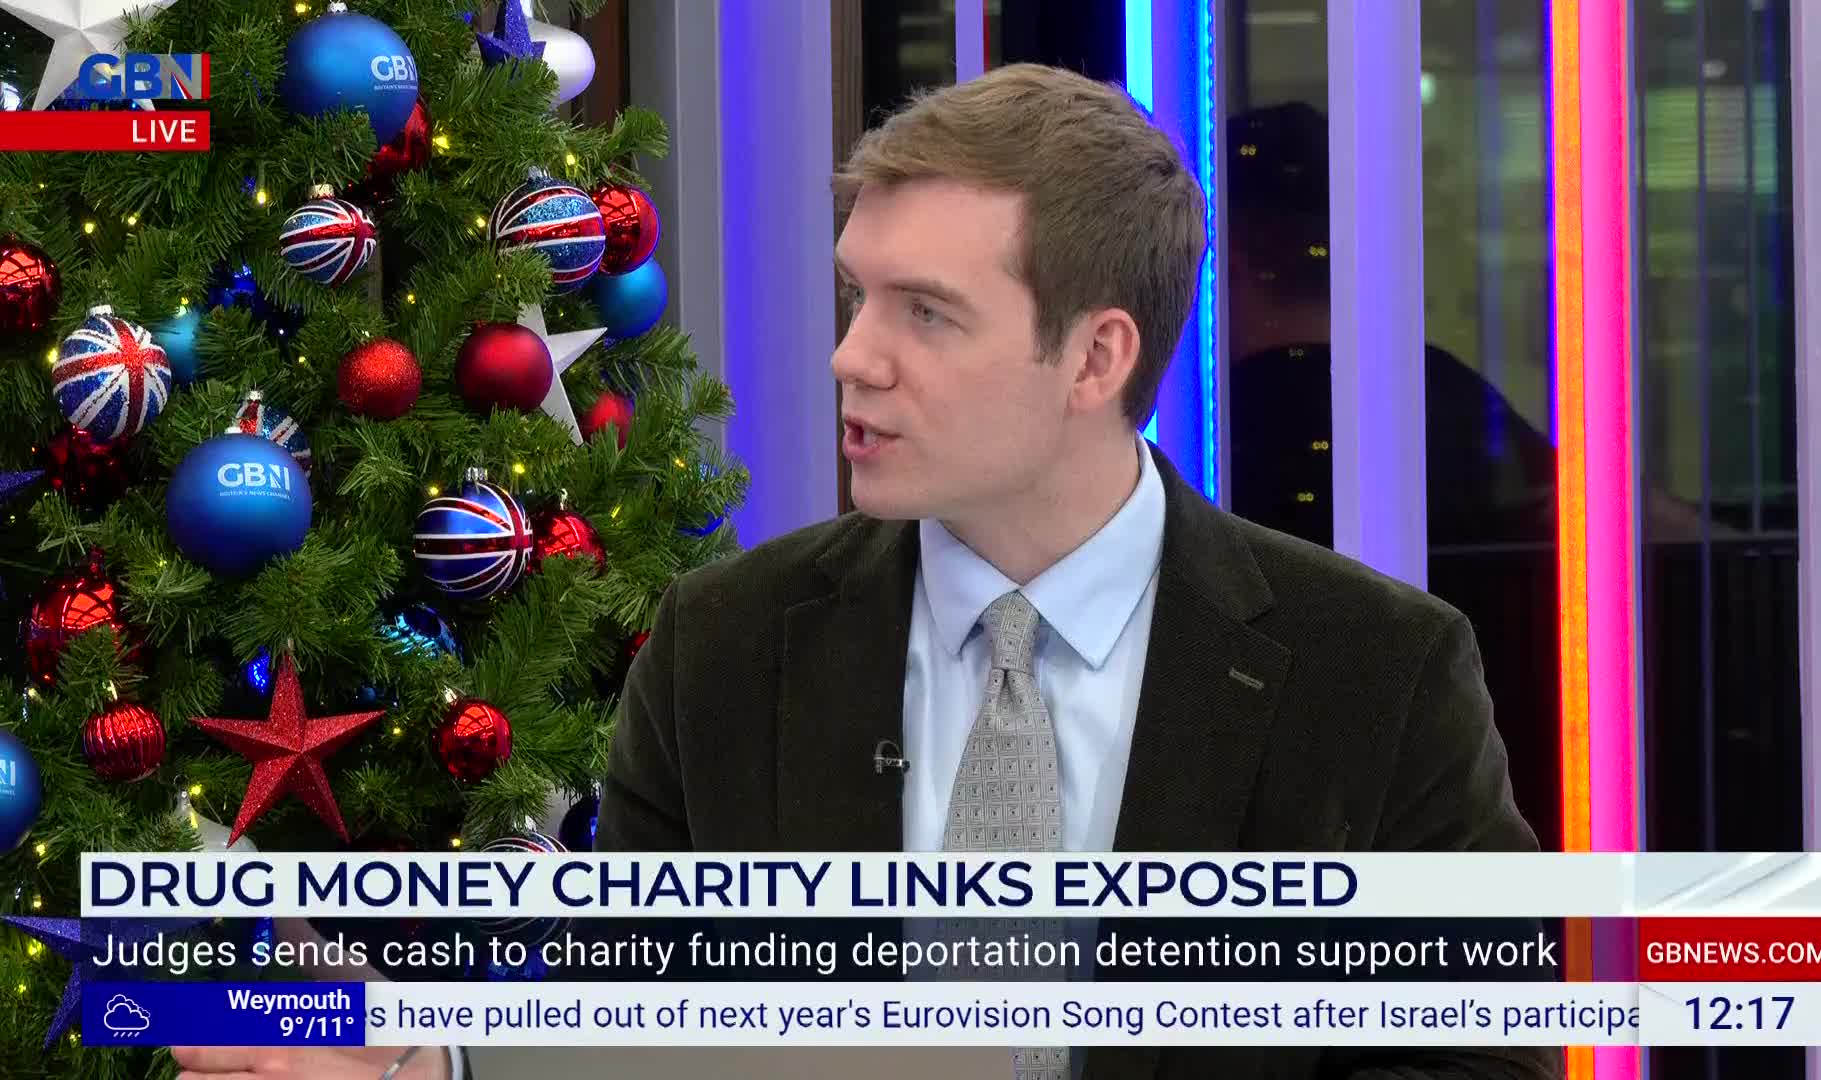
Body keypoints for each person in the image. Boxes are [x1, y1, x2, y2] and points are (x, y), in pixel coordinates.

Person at [174, 64, 1557, 1080]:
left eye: (927, 315)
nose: (853, 358)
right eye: (857, 298)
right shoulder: (728, 642)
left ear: (1096, 356)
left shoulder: (1375, 672)